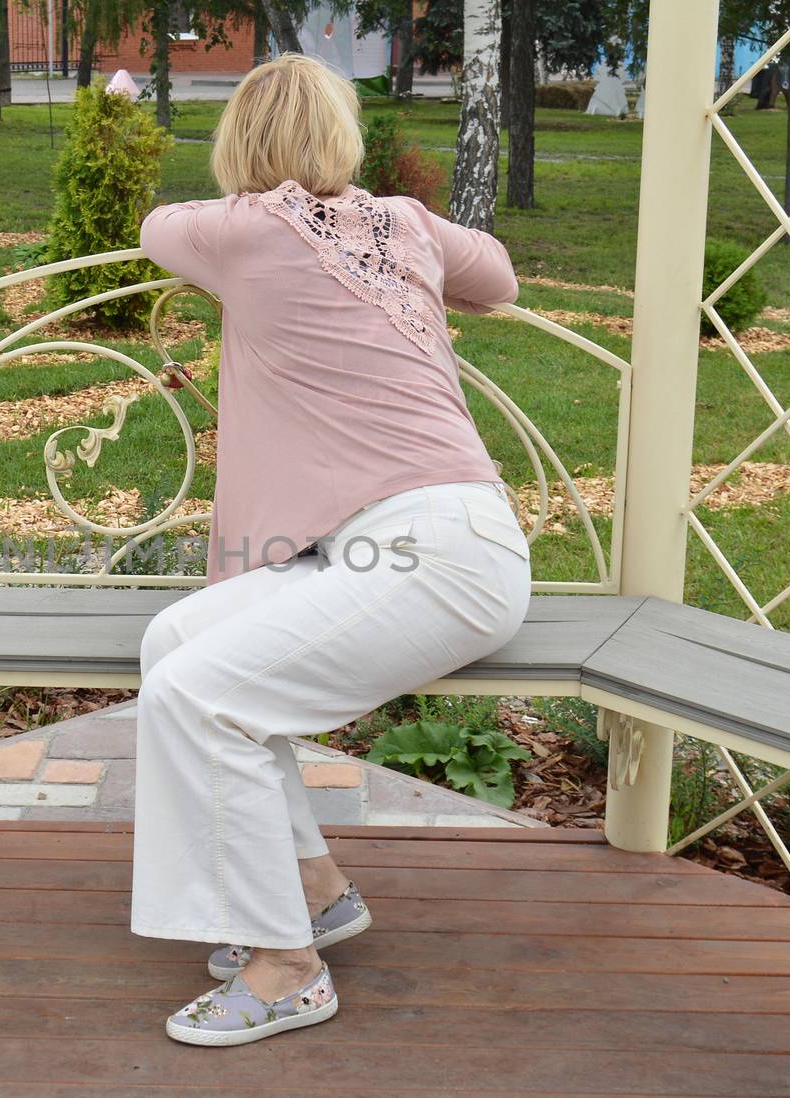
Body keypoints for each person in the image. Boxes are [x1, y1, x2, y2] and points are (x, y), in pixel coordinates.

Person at [131, 54, 531, 1048]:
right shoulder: (406, 221)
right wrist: (396, 238)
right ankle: (313, 892)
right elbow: (499, 278)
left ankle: (285, 968)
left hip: (438, 552)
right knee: (173, 646)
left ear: (240, 147)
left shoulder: (230, 231)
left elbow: (152, 230)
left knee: (199, 698)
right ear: (342, 141)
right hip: (396, 542)